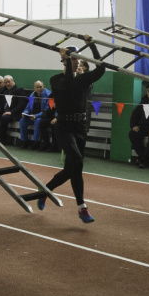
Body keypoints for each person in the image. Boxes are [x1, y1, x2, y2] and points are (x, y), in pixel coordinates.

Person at [37, 36, 106, 223]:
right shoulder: (56, 79)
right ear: (65, 61)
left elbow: (101, 67)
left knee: (71, 169)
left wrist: (92, 44)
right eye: (72, 59)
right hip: (64, 127)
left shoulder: (84, 80)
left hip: (80, 127)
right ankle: (82, 207)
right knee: (77, 162)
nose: (76, 62)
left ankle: (44, 190)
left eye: (78, 59)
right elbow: (67, 84)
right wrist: (67, 59)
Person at [19, 80, 51, 149]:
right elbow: (28, 107)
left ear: (43, 87)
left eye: (40, 87)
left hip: (41, 116)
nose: (39, 89)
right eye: (37, 87)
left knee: (37, 121)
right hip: (31, 116)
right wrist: (25, 113)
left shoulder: (48, 95)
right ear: (34, 88)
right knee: (22, 120)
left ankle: (36, 142)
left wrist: (36, 116)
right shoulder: (32, 95)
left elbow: (46, 110)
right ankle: (24, 141)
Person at [0, 75, 28, 143]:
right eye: (5, 83)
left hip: (15, 113)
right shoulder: (5, 91)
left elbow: (21, 105)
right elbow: (3, 103)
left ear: (13, 81)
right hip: (5, 111)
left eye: (9, 82)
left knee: (4, 118)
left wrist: (11, 112)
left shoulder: (19, 90)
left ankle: (2, 139)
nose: (7, 84)